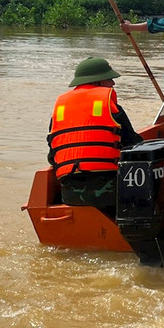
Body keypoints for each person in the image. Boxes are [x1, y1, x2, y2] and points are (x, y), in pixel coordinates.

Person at [46, 56, 142, 213]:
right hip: (109, 193)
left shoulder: (60, 109)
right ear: (97, 82)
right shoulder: (111, 107)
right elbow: (133, 145)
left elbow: (52, 156)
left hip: (69, 195)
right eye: (109, 79)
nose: (113, 83)